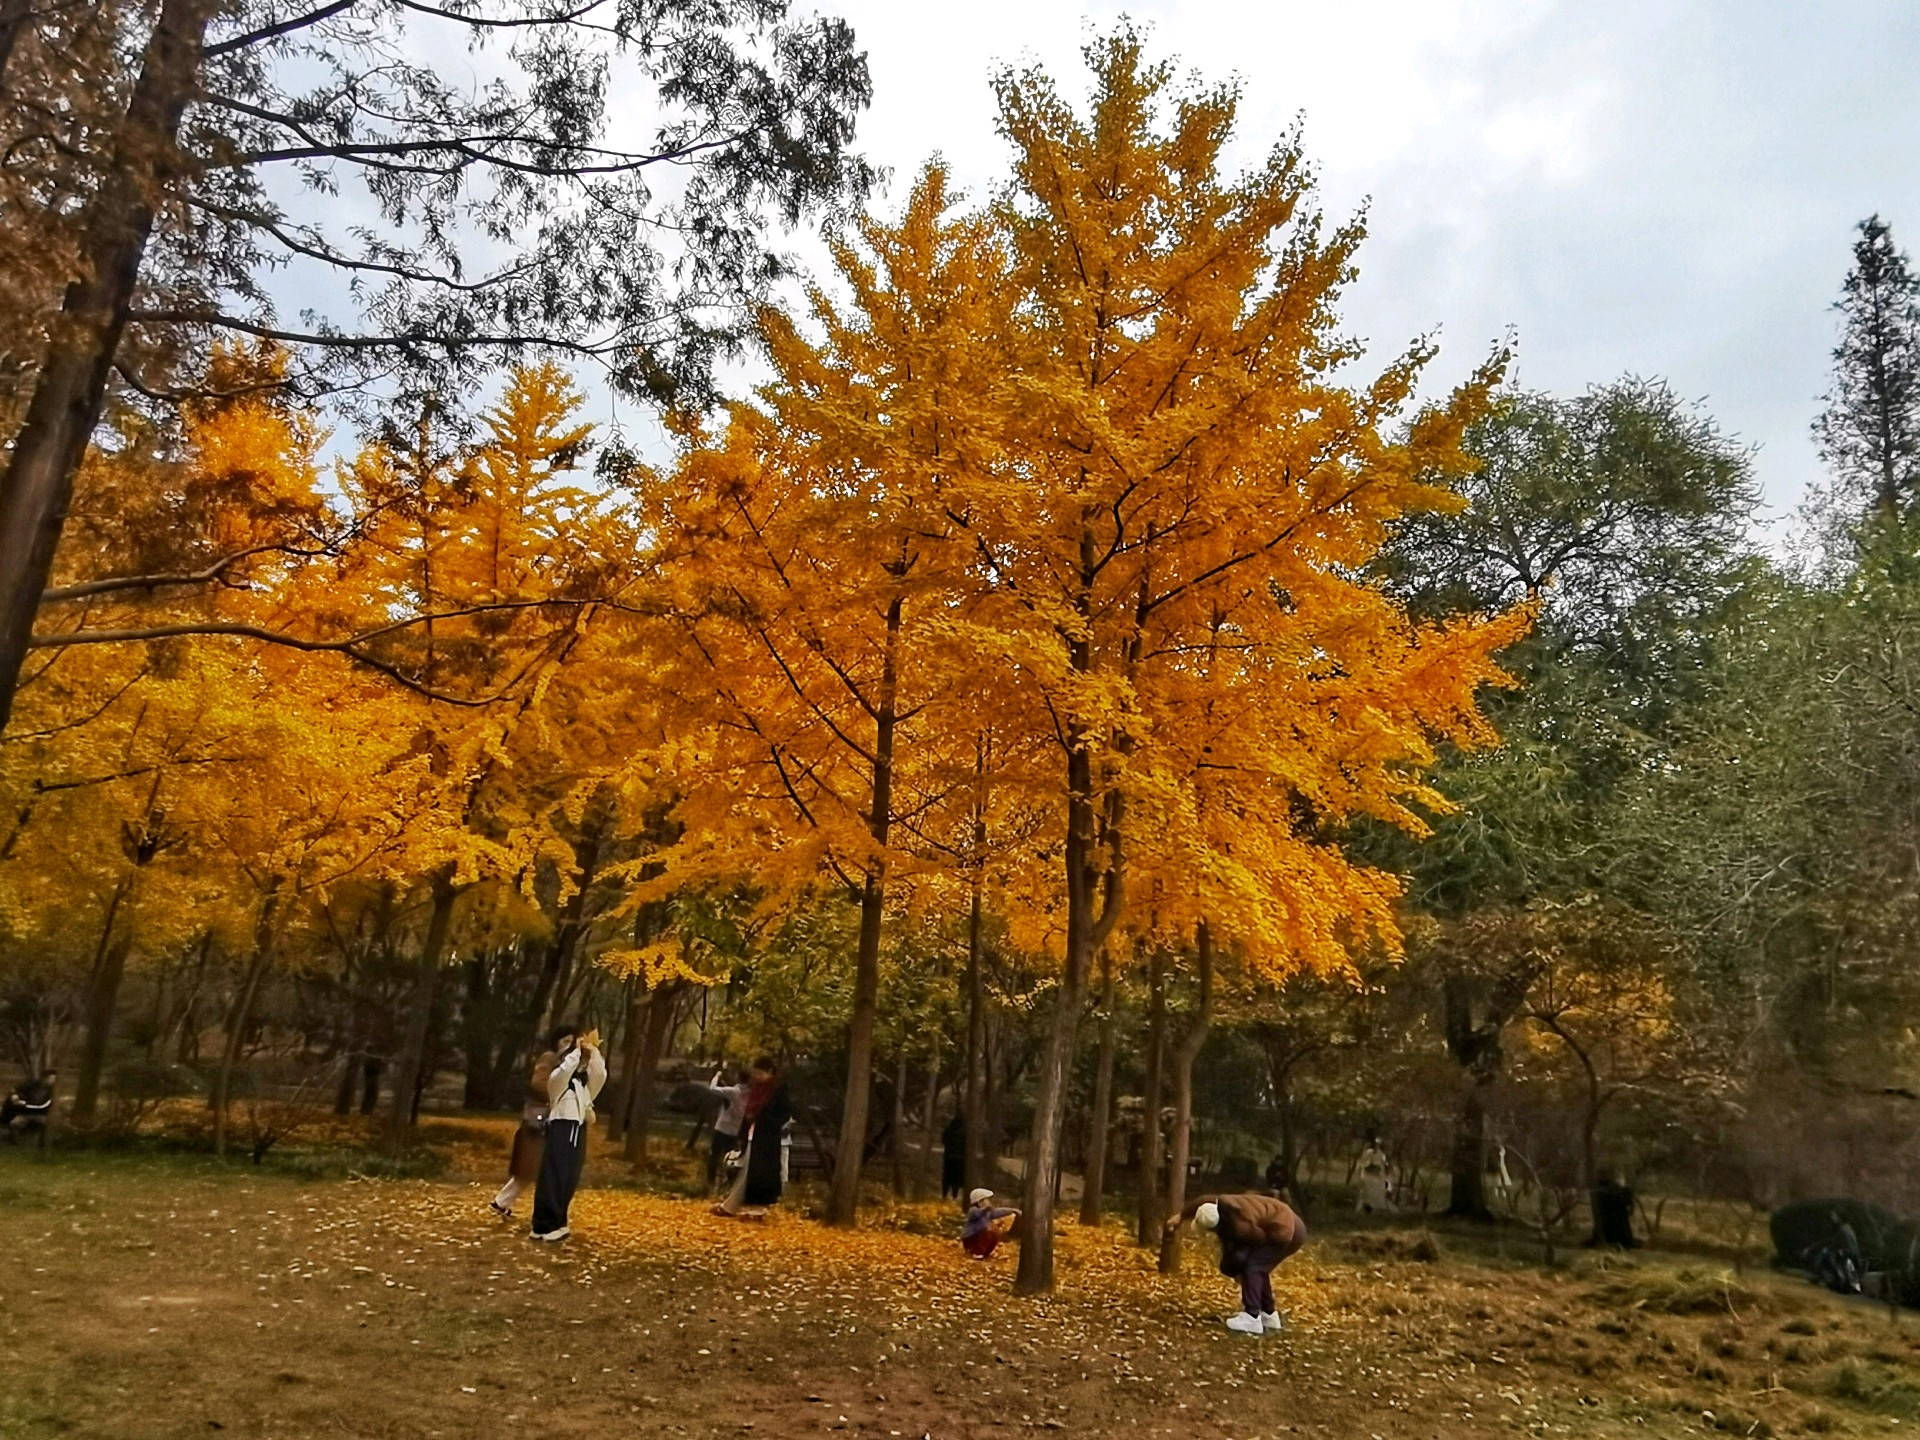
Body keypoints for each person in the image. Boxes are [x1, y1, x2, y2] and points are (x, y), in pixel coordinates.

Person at [1164, 1191, 1308, 1335]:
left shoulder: (1242, 1227)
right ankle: (1269, 1315)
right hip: (1291, 1222)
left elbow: (1259, 1240)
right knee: (1259, 1268)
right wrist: (1180, 1216)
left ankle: (1252, 1317)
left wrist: (1241, 1270)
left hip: (1285, 1231)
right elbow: (1203, 1200)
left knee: (1253, 1267)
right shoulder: (1222, 1204)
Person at [529, 1026, 605, 1242]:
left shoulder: (583, 1087)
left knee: (569, 1177)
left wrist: (593, 1051)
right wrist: (576, 1050)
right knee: (554, 1175)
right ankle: (544, 1224)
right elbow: (564, 1071)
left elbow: (600, 1074)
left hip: (578, 1128)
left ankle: (558, 1222)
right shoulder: (557, 1080)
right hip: (561, 1127)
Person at [489, 1036, 561, 1218]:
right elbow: (538, 1083)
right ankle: (502, 1202)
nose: (567, 1045)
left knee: (532, 1170)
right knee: (531, 1169)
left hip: (545, 1121)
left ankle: (501, 1202)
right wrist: (559, 1094)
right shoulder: (550, 1058)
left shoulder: (563, 1061)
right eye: (564, 1041)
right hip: (538, 1121)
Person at [713, 1056, 791, 1220]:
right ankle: (734, 1205)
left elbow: (784, 1112)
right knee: (750, 1170)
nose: (757, 1076)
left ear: (770, 1072)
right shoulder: (758, 1088)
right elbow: (750, 1109)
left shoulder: (778, 1089)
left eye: (760, 1073)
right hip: (754, 1133)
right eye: (755, 1073)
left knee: (756, 1171)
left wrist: (767, 1121)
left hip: (767, 1136)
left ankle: (745, 1207)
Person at [701, 1068, 750, 1192]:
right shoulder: (750, 1094)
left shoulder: (733, 1091)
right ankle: (728, 1183)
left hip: (722, 1127)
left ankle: (710, 1182)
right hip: (735, 1130)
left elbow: (713, 1088)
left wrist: (717, 1076)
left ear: (738, 1077)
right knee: (730, 1158)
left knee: (714, 1155)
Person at [961, 1187, 1019, 1259]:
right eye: (987, 1200)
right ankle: (977, 1252)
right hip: (971, 1238)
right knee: (986, 1233)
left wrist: (1011, 1210)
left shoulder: (987, 1212)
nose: (989, 1202)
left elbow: (998, 1212)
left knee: (994, 1234)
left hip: (979, 1237)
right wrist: (985, 1209)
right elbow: (977, 1214)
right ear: (980, 1202)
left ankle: (985, 1252)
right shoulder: (973, 1210)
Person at [1, 1069, 54, 1145]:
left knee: (46, 1124)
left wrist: (24, 1104)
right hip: (25, 1113)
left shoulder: (52, 1091)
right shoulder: (32, 1085)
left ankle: (42, 1143)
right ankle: (16, 1143)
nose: (53, 1081)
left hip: (40, 1114)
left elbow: (42, 1106)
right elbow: (14, 1090)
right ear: (45, 1078)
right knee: (14, 1124)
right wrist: (15, 1096)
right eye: (52, 1078)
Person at [1356, 1134, 1392, 1214]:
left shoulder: (1382, 1155)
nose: (1376, 1146)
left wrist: (1378, 1168)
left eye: (1378, 1145)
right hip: (1368, 1175)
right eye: (1375, 1144)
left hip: (1377, 1177)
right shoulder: (1368, 1153)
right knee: (1367, 1192)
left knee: (1376, 1192)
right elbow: (1362, 1163)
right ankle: (1366, 1208)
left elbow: (1384, 1164)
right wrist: (1369, 1165)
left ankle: (1375, 1208)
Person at [941, 1111, 967, 1201]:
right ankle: (954, 1196)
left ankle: (944, 1194)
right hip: (959, 1159)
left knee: (947, 1177)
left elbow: (943, 1140)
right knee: (956, 1179)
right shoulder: (964, 1132)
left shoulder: (948, 1129)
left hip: (948, 1157)